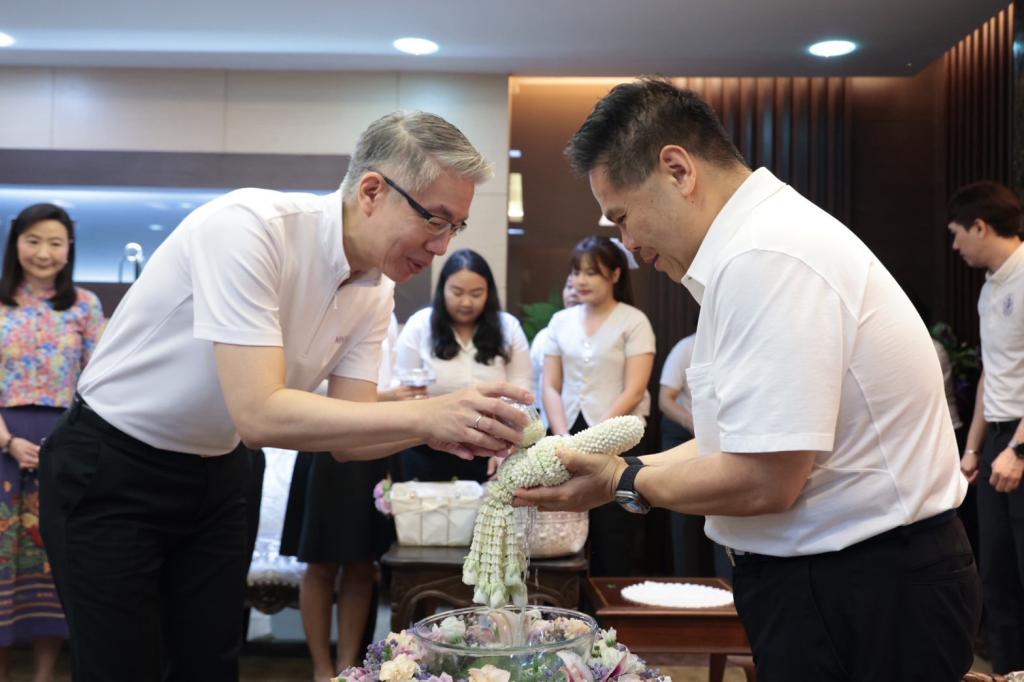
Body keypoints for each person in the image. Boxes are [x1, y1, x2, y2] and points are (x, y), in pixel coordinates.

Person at [37, 111, 532, 682]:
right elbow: (260, 412)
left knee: (209, 665)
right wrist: (429, 414)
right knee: (121, 666)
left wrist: (449, 427)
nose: (442, 246)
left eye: (457, 228)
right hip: (113, 466)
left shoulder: (375, 292)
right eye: (435, 220)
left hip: (219, 473)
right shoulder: (250, 226)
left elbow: (348, 437)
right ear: (373, 189)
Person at [517, 78, 980, 681]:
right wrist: (612, 476)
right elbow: (726, 443)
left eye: (624, 217)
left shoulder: (767, 255)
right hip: (842, 580)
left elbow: (766, 478)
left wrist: (624, 479)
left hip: (865, 587)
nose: (629, 245)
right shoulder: (747, 252)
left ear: (678, 169)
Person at [0, 203, 104, 682]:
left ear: (69, 250)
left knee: (52, 562)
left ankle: (45, 674)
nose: (44, 252)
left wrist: (65, 443)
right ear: (15, 243)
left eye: (55, 242)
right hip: (2, 446)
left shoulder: (84, 305)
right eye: (34, 240)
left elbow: (101, 380)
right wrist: (8, 442)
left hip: (64, 448)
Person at [541, 235, 655, 575]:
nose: (580, 281)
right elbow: (550, 384)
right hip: (566, 435)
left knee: (614, 529)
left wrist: (595, 435)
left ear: (615, 275)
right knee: (562, 526)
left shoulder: (634, 321)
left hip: (619, 435)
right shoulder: (561, 321)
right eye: (576, 272)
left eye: (592, 272)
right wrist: (562, 435)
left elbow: (634, 390)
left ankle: (611, 610)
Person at [948, 181, 1024, 675]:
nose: (955, 245)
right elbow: (991, 375)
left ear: (981, 226)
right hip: (996, 439)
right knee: (997, 578)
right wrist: (973, 449)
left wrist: (1020, 449)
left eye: (958, 233)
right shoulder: (991, 286)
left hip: (1019, 441)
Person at [395, 248, 532, 482]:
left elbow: (521, 395)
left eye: (477, 293)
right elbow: (403, 390)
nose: (466, 302)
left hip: (491, 447)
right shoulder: (421, 325)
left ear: (489, 292)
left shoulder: (508, 327)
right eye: (457, 292)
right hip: (426, 446)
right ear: (442, 289)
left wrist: (509, 447)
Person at [530, 274, 580, 430]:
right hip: (551, 429)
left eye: (579, 287)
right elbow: (534, 391)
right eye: (569, 286)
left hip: (600, 425)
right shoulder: (545, 336)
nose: (573, 292)